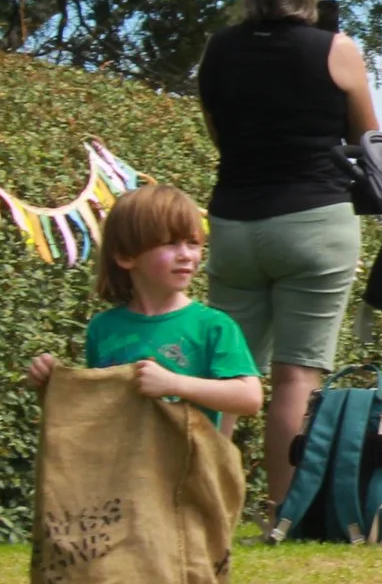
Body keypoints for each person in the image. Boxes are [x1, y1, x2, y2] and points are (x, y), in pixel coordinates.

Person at [197, 0, 378, 508]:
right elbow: (370, 141)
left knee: (224, 377)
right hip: (314, 221)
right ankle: (282, 510)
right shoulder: (337, 50)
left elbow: (220, 135)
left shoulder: (217, 51)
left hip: (233, 222)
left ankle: (197, 505)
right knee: (295, 377)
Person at [28, 184, 264, 433]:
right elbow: (97, 410)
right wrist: (51, 383)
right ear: (126, 256)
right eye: (170, 243)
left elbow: (249, 397)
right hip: (121, 465)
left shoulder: (213, 326)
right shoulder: (103, 328)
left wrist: (174, 384)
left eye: (193, 243)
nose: (186, 255)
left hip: (187, 467)